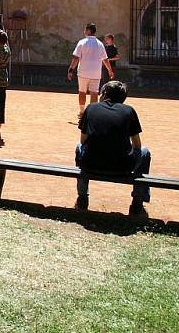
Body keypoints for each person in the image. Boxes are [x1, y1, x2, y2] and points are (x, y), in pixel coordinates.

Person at [74, 80, 151, 217]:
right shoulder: (129, 111)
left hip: (91, 164)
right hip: (122, 168)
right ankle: (137, 203)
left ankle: (82, 198)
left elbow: (83, 141)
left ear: (103, 94)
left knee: (79, 147)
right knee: (145, 152)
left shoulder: (91, 108)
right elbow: (137, 145)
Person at [67, 23, 114, 118]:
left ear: (88, 31)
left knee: (82, 92)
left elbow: (76, 58)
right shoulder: (100, 44)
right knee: (94, 93)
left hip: (83, 72)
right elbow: (105, 59)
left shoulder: (82, 42)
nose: (84, 31)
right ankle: (92, 114)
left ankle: (82, 112)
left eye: (85, 29)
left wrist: (71, 69)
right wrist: (110, 70)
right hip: (96, 73)